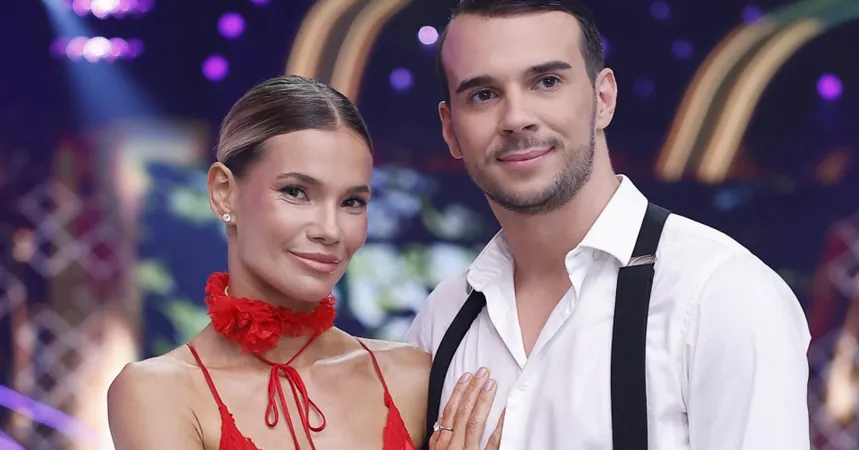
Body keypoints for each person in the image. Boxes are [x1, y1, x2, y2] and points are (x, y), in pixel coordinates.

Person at [405, 1, 812, 449]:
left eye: (546, 82)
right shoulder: (442, 317)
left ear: (603, 99)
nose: (517, 118)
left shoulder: (720, 295)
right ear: (450, 128)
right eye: (483, 94)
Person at [106, 75, 501, 450]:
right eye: (296, 192)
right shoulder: (157, 391)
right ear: (224, 192)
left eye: (352, 202)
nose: (330, 230)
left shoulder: (411, 376)